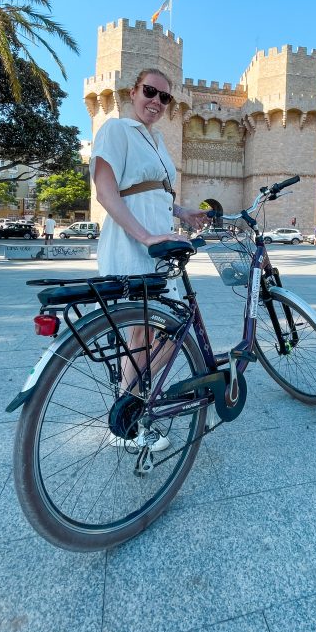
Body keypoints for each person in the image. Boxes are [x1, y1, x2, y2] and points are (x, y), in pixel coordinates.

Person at [91, 68, 208, 449]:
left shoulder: (156, 140)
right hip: (132, 245)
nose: (156, 102)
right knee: (143, 334)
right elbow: (107, 194)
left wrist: (183, 212)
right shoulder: (116, 129)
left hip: (159, 248)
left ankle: (132, 405)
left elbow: (153, 194)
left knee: (171, 332)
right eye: (150, 92)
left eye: (164, 97)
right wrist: (144, 236)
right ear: (132, 91)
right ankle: (126, 423)